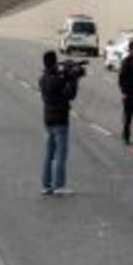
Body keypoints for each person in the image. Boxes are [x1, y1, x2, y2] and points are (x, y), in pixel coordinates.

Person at [39, 50, 78, 196]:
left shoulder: (43, 79)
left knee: (49, 154)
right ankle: (59, 186)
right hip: (60, 120)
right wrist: (73, 77)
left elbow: (60, 79)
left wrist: (66, 74)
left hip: (48, 119)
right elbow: (71, 94)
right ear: (54, 62)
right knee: (61, 154)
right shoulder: (57, 80)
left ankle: (46, 185)